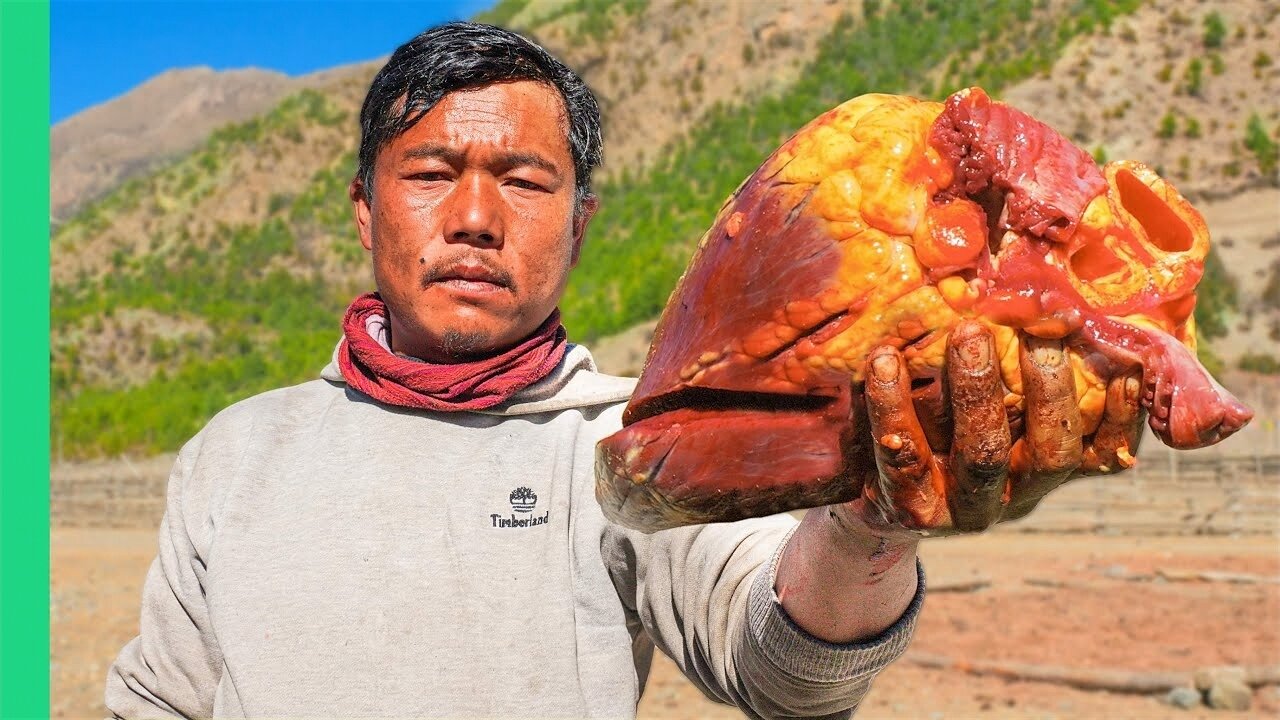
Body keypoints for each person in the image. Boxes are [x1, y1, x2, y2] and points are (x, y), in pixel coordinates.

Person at [105, 22, 1142, 719]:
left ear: (580, 223)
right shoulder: (237, 452)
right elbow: (161, 699)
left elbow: (783, 673)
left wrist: (867, 526)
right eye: (428, 175)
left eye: (523, 179)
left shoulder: (637, 447)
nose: (473, 218)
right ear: (365, 209)